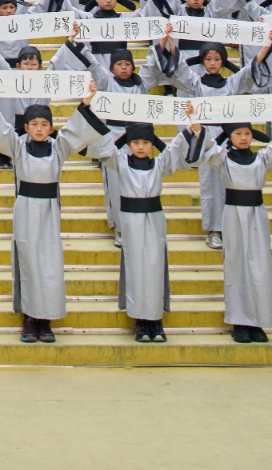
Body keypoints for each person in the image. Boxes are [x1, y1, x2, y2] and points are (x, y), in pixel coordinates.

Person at [0, 95, 101, 343]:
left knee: (50, 265)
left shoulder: (59, 147)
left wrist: (85, 103)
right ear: (26, 127)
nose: (39, 129)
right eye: (34, 124)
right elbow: (1, 130)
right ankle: (30, 318)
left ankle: (46, 319)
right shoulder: (18, 147)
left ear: (51, 128)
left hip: (49, 211)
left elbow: (75, 130)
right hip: (26, 209)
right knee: (29, 263)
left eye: (44, 124)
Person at [183, 107, 272, 343]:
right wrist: (195, 120)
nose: (243, 138)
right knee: (237, 266)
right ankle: (239, 321)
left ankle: (258, 320)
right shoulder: (223, 158)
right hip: (233, 214)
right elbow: (205, 144)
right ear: (230, 137)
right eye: (238, 133)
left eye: (247, 133)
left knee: (260, 266)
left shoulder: (263, 158)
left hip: (257, 215)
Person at [81, 111, 192, 343]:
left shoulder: (160, 163)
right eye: (136, 142)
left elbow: (177, 147)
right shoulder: (120, 162)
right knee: (135, 267)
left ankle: (156, 319)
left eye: (146, 143)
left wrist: (192, 124)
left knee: (155, 266)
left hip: (154, 220)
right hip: (131, 221)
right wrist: (88, 109)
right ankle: (140, 320)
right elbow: (101, 145)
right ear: (128, 144)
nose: (141, 147)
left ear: (152, 145)